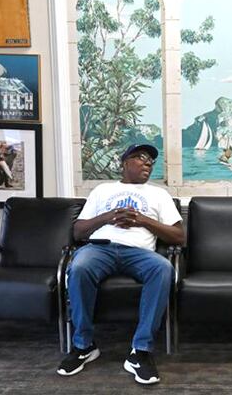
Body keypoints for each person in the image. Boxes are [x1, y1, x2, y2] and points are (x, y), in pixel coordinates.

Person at [57, 144, 184, 385]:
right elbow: (78, 232)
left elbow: (179, 237)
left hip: (139, 252)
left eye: (151, 160)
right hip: (99, 248)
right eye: (141, 157)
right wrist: (110, 216)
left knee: (163, 268)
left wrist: (142, 220)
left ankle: (140, 351)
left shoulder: (159, 195)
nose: (148, 163)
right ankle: (84, 345)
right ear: (124, 163)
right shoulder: (102, 190)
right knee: (79, 267)